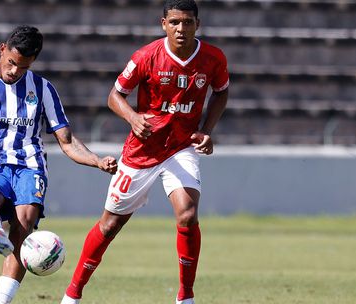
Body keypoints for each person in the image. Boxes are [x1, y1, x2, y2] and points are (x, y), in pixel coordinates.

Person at [60, 1, 229, 303]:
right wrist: (133, 118)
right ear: (163, 23)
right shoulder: (146, 57)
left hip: (181, 147)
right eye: (175, 22)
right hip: (142, 152)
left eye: (187, 22)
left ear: (197, 25)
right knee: (110, 224)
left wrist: (207, 130)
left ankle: (185, 296)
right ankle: (72, 294)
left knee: (188, 215)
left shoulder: (213, 58)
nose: (181, 28)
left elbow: (221, 91)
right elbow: (115, 96)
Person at [0, 25, 118, 304]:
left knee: (24, 225)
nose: (14, 72)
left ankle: (1, 299)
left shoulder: (43, 89)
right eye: (11, 63)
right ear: (2, 50)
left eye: (23, 67)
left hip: (29, 167)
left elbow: (66, 140)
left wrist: (96, 160)